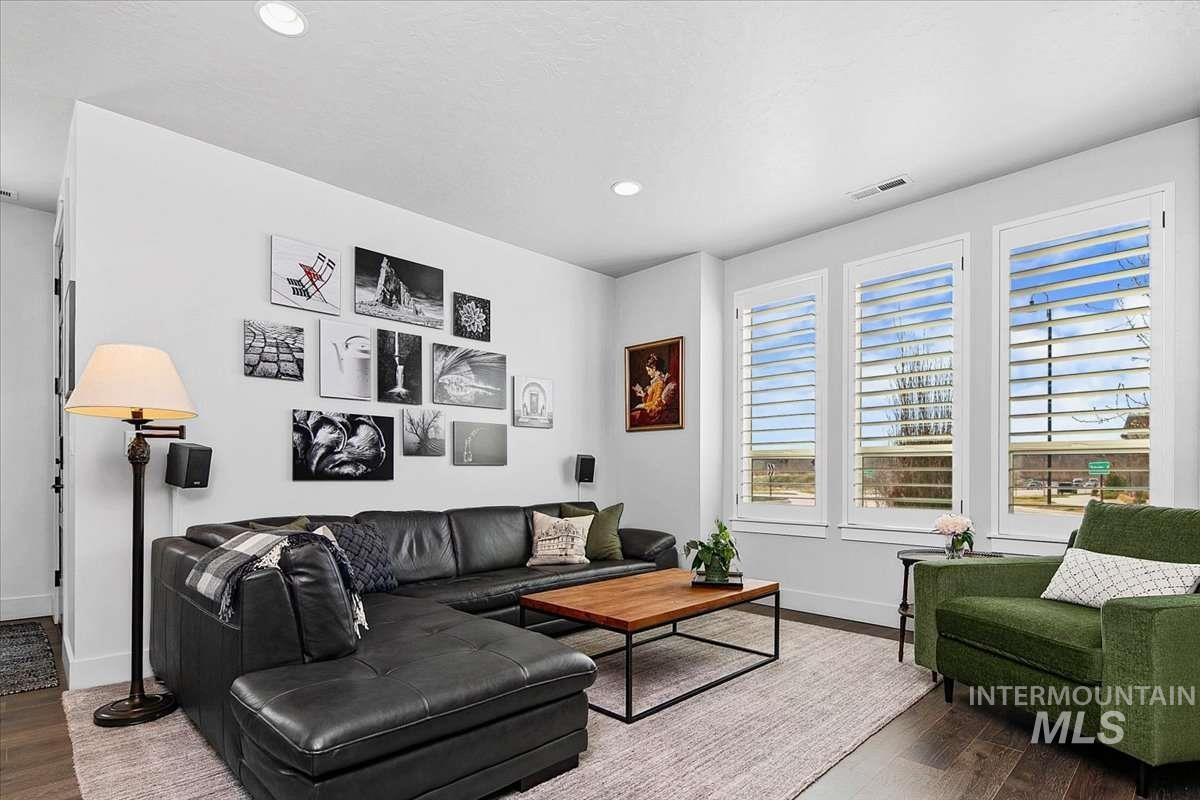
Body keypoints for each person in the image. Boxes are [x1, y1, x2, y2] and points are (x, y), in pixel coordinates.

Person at [630, 352, 678, 426]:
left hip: (653, 412)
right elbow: (650, 399)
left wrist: (642, 405)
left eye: (649, 370)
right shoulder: (655, 382)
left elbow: (656, 402)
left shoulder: (660, 383)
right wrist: (644, 395)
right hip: (649, 408)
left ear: (654, 369)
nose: (648, 373)